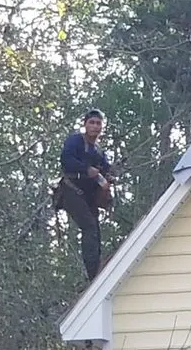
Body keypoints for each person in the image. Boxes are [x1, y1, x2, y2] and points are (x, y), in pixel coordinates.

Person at [60, 108, 111, 281]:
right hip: (71, 190)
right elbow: (66, 160)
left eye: (98, 123)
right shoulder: (75, 141)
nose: (95, 126)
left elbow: (106, 169)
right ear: (85, 125)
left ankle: (98, 270)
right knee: (89, 227)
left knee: (95, 230)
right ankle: (92, 276)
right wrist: (86, 169)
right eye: (92, 123)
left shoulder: (98, 151)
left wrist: (109, 177)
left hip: (88, 197)